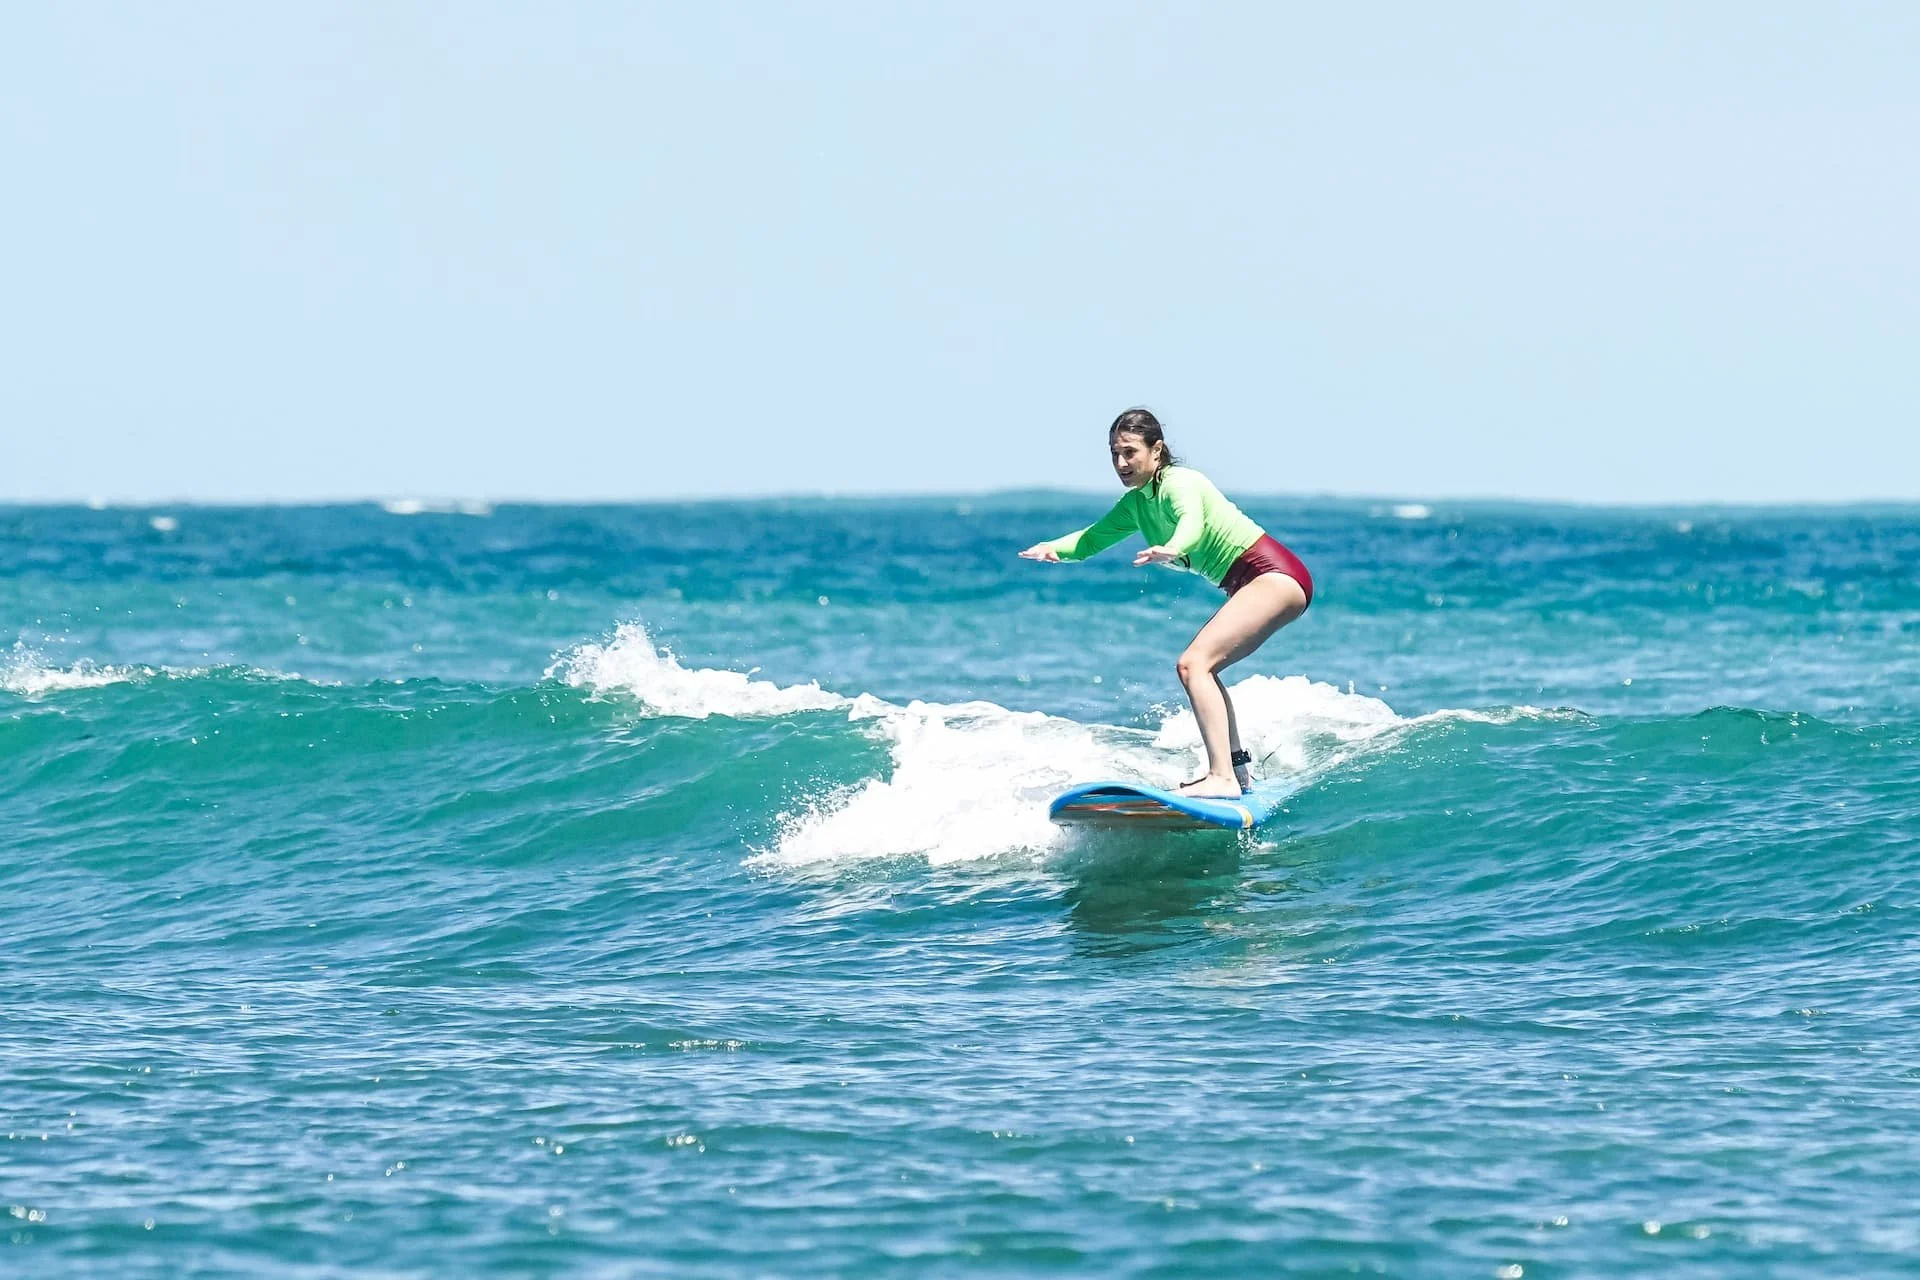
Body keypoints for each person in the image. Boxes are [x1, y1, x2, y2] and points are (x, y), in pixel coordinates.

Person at [1020, 408, 1314, 799]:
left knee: (1193, 664)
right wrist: (1052, 549)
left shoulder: (1180, 483)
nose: (1121, 463)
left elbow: (1190, 522)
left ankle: (1221, 778)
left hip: (1273, 576)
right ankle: (1238, 772)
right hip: (1257, 583)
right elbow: (1092, 539)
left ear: (1156, 450)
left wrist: (1173, 547)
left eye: (1130, 452)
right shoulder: (1136, 504)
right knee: (1204, 669)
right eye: (1114, 454)